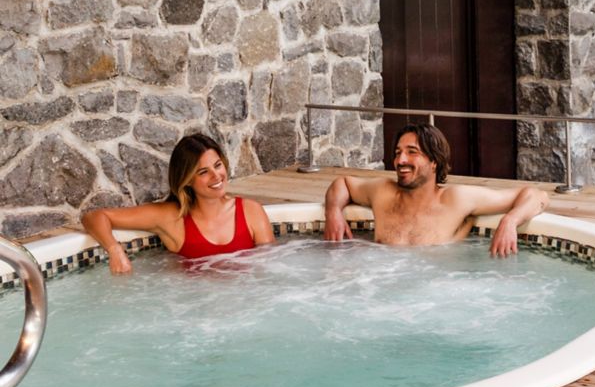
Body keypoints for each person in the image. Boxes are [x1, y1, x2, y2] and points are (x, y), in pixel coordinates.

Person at [324, 123, 549, 257]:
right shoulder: (383, 193)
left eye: (412, 152)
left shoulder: (455, 200)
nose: (401, 160)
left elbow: (537, 196)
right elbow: (342, 183)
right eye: (398, 153)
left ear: (434, 162)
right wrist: (333, 212)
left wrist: (510, 221)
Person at [82, 133, 274, 273]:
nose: (216, 176)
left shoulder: (251, 211)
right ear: (187, 180)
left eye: (218, 165)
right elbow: (94, 217)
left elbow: (270, 267)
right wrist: (114, 250)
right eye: (203, 172)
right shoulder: (171, 218)